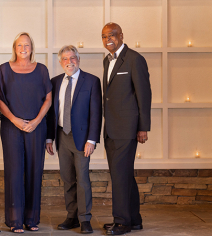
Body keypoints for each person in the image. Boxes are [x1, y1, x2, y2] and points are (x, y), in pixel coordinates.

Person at [0, 32, 52, 233]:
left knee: (35, 171)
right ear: (14, 47)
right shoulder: (3, 70)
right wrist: (14, 119)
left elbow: (48, 99)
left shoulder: (42, 70)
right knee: (14, 172)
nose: (23, 48)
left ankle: (31, 219)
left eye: (27, 45)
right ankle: (14, 220)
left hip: (36, 127)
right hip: (12, 127)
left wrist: (36, 121)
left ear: (32, 47)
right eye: (20, 45)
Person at [101, 22, 151, 235]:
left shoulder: (134, 59)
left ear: (121, 35)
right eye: (104, 36)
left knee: (120, 176)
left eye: (112, 35)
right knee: (123, 175)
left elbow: (144, 95)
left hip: (127, 128)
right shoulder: (107, 61)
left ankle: (122, 222)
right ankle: (134, 219)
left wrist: (143, 127)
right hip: (111, 128)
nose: (108, 39)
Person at [46, 45, 102, 234]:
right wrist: (49, 138)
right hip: (62, 136)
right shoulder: (54, 82)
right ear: (60, 62)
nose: (69, 62)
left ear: (78, 59)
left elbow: (96, 113)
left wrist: (92, 140)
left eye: (73, 58)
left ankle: (85, 219)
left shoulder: (92, 81)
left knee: (83, 179)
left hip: (82, 139)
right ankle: (72, 217)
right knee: (68, 179)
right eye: (65, 59)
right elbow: (52, 114)